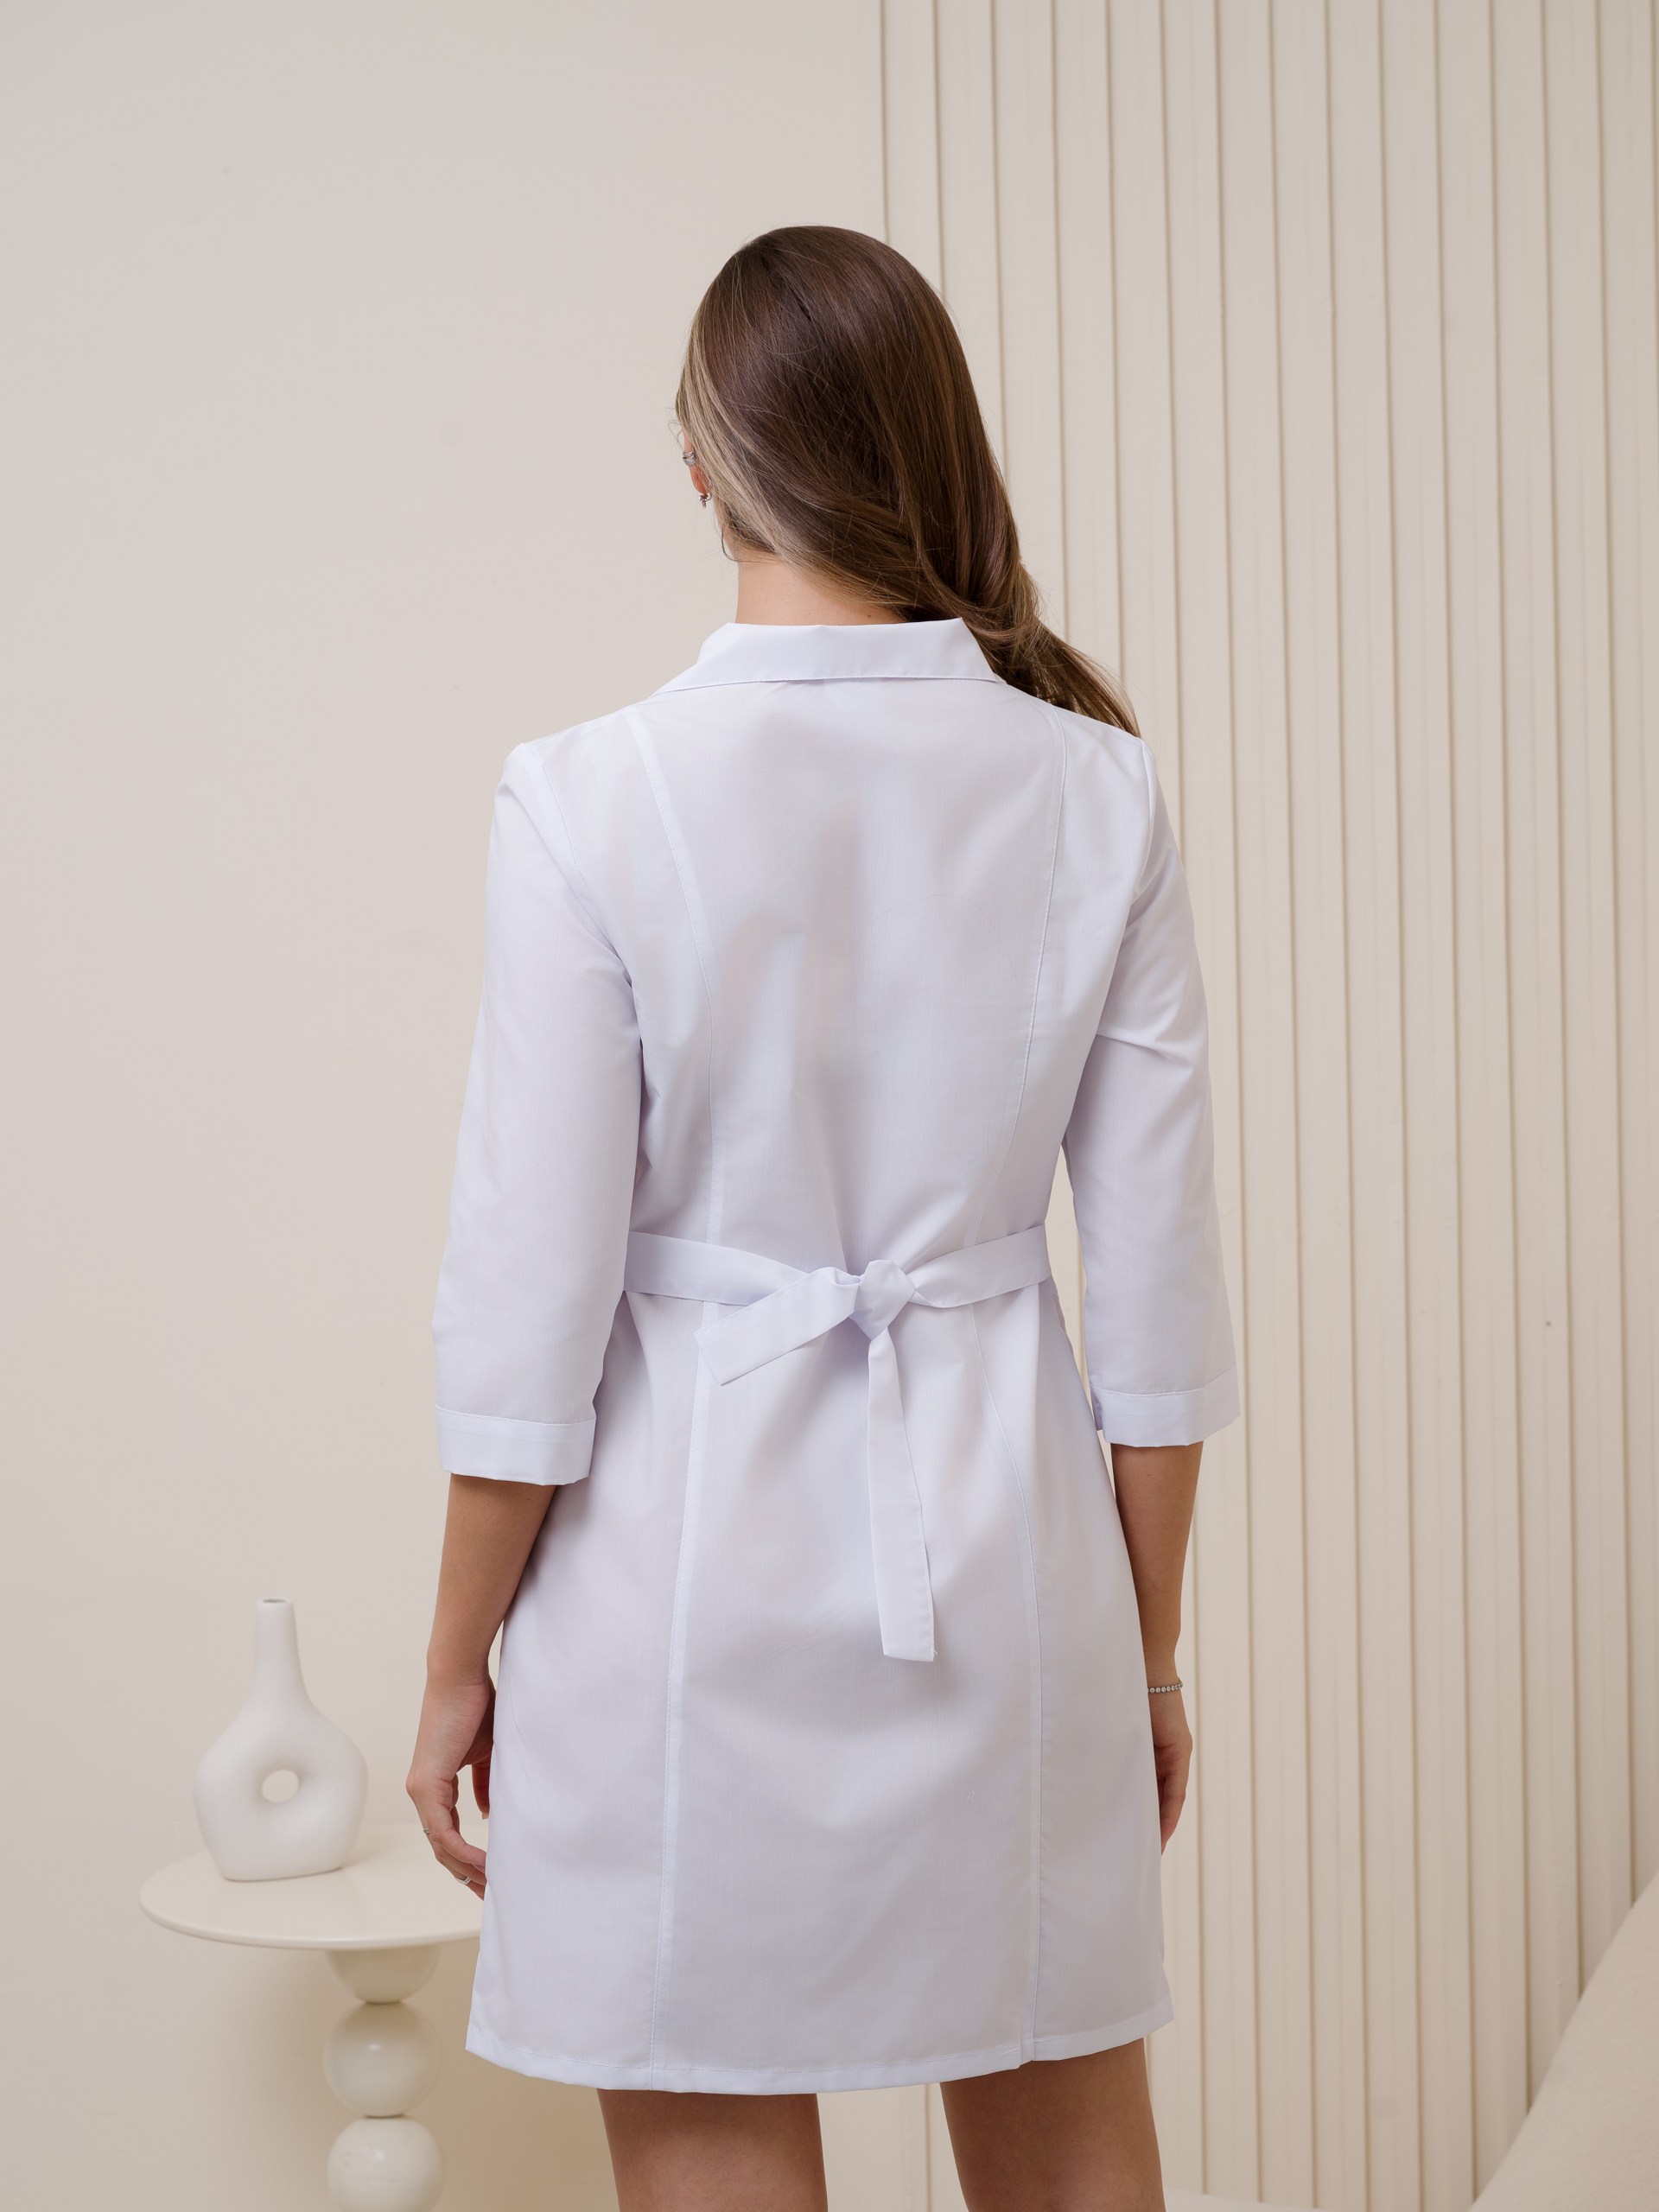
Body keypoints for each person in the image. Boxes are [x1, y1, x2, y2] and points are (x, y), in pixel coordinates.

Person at [407, 224, 1239, 2212]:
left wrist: (452, 1663)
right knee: (1071, 2156)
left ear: (704, 460)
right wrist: (1140, 1653)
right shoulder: (1096, 789)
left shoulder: (587, 794)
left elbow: (531, 1299)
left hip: (665, 1587)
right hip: (1010, 1573)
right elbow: (1158, 1312)